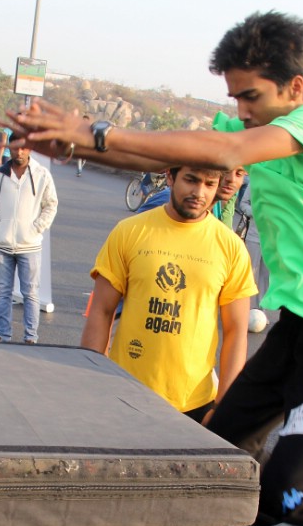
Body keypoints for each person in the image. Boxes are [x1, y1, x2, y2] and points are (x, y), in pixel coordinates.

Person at [7, 11, 303, 526]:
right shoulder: (250, 132)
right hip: (299, 328)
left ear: (294, 87)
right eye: (234, 97)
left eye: (250, 96)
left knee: (289, 493)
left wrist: (98, 131)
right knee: (220, 453)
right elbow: (167, 159)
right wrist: (77, 145)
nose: (241, 108)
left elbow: (227, 148)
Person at [81, 165, 255, 421]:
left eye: (209, 184)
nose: (199, 192)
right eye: (191, 180)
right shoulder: (129, 231)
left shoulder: (230, 247)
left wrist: (223, 407)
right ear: (171, 177)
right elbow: (102, 311)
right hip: (123, 391)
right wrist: (90, 380)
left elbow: (236, 330)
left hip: (193, 402)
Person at [0, 141, 59, 344]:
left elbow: (51, 205)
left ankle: (30, 337)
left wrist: (36, 228)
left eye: (24, 148)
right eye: (16, 148)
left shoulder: (41, 175)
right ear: (10, 149)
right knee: (2, 292)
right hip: (2, 244)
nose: (20, 152)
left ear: (30, 149)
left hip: (30, 245)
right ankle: (3, 334)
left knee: (30, 293)